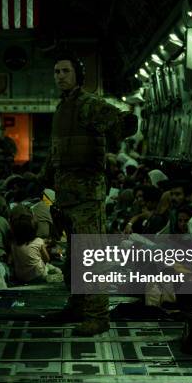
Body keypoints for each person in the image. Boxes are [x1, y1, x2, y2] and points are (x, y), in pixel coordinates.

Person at [39, 52, 137, 336]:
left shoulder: (89, 104)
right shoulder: (62, 108)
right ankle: (79, 305)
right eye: (57, 71)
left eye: (65, 71)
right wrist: (45, 174)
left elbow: (124, 122)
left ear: (78, 75)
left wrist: (120, 128)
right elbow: (59, 148)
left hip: (87, 194)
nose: (60, 76)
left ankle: (98, 316)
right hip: (66, 194)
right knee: (74, 256)